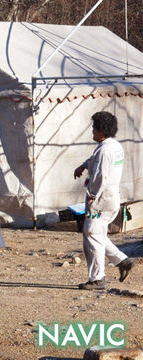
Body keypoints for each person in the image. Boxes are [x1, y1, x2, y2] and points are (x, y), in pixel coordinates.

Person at [73, 111, 135, 290]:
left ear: (101, 130)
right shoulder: (112, 146)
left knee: (92, 233)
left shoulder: (105, 150)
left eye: (94, 128)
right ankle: (122, 261)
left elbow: (101, 175)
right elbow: (96, 161)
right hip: (110, 197)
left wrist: (92, 195)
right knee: (96, 234)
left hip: (101, 199)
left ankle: (97, 279)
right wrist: (84, 165)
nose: (92, 130)